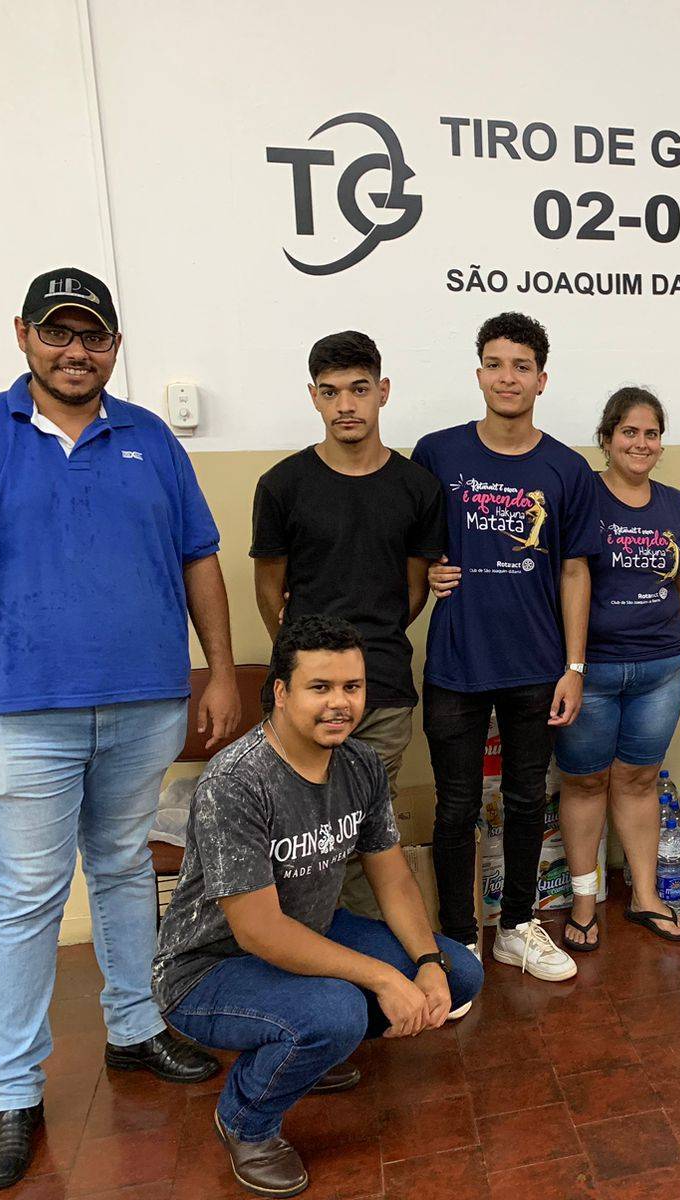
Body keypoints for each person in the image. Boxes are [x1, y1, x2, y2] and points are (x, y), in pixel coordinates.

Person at [0, 268, 240, 1191]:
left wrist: (220, 669)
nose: (76, 352)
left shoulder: (150, 438)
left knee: (121, 866)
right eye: (58, 333)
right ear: (23, 335)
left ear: (115, 345)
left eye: (94, 336)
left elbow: (199, 556)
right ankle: (12, 1094)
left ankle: (135, 1028)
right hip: (13, 710)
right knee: (29, 897)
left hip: (143, 702)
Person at [153, 616, 482, 1197]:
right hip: (207, 968)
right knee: (338, 1012)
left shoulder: (360, 765)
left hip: (313, 930)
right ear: (281, 693)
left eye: (352, 687)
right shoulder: (237, 782)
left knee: (461, 974)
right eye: (320, 687)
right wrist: (384, 978)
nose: (339, 704)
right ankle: (246, 1121)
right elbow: (259, 932)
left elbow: (393, 879)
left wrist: (428, 961)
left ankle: (306, 1048)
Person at [431, 387, 680, 949]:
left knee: (640, 780)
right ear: (606, 439)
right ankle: (583, 901)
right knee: (584, 782)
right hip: (592, 671)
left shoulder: (676, 504)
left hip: (660, 669)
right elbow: (561, 570)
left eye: (651, 433)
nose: (640, 443)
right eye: (628, 432)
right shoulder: (580, 487)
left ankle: (645, 896)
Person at [413, 312, 602, 982]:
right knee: (456, 807)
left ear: (541, 380)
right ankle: (460, 939)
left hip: (536, 665)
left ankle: (517, 927)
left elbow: (575, 571)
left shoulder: (567, 468)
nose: (507, 377)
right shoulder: (437, 453)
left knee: (525, 802)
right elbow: (415, 546)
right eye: (495, 364)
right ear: (479, 374)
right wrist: (428, 572)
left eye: (522, 366)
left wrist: (574, 667)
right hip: (456, 662)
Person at [251, 331, 446, 924]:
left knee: (364, 833)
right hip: (301, 693)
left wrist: (365, 648)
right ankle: (303, 953)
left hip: (382, 688)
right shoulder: (282, 485)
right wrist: (309, 661)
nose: (346, 405)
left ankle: (366, 952)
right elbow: (269, 588)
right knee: (296, 835)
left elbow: (413, 591)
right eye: (331, 392)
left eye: (359, 390)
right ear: (313, 397)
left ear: (382, 392)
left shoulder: (417, 487)